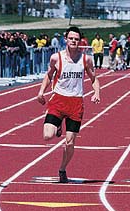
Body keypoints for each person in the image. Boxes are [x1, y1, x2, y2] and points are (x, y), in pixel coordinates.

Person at [36, 26, 100, 183]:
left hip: (76, 103)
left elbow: (94, 79)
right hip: (58, 100)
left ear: (80, 41)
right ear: (66, 39)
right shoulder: (56, 58)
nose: (73, 41)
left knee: (70, 142)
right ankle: (57, 125)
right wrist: (41, 92)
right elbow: (49, 75)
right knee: (47, 136)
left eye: (76, 39)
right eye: (71, 38)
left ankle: (62, 169)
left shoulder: (86, 59)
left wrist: (96, 93)